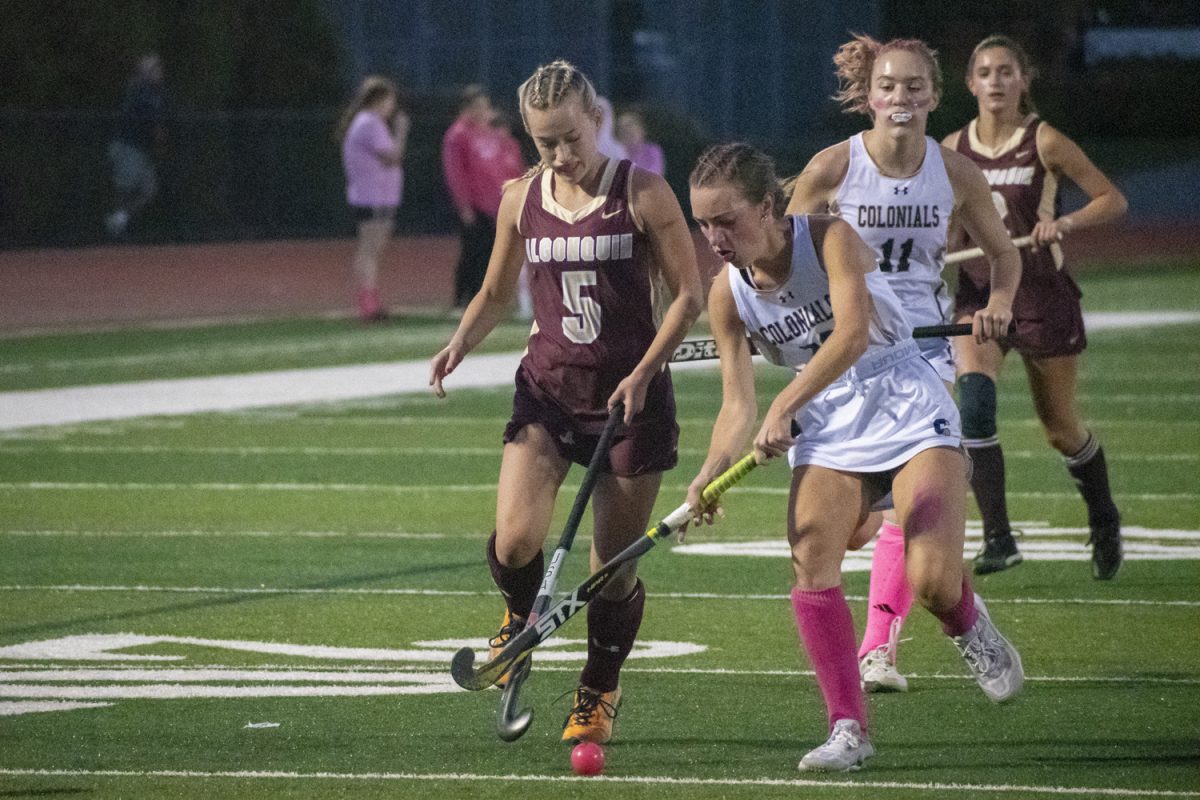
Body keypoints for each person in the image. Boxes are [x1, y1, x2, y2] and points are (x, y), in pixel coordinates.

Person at [687, 142, 1023, 773]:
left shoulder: (830, 239)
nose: (714, 237)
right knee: (812, 555)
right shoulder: (727, 294)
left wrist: (787, 400)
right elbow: (737, 405)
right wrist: (711, 471)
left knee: (930, 580)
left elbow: (852, 334)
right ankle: (848, 727)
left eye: (725, 220)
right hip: (829, 425)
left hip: (903, 396)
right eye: (703, 223)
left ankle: (966, 621)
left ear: (768, 207)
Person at [429, 59, 703, 745]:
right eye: (545, 142)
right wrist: (460, 342)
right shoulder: (522, 198)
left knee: (610, 574)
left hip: (630, 401)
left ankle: (598, 688)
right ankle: (518, 620)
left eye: (571, 138)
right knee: (517, 540)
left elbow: (690, 297)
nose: (560, 154)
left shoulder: (642, 192)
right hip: (549, 392)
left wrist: (646, 371)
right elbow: (496, 291)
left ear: (596, 122)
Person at [785, 35, 1022, 695]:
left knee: (907, 517)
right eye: (888, 86)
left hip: (923, 358)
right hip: (851, 358)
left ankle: (880, 648)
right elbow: (782, 264)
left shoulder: (954, 173)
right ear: (869, 97)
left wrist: (999, 303)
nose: (901, 99)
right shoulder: (831, 170)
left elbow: (1005, 256)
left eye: (914, 87)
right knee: (849, 531)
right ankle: (872, 658)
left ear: (934, 97)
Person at [944, 34, 1128, 579]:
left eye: (1006, 71)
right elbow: (949, 223)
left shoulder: (1044, 140)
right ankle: (998, 537)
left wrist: (1064, 223)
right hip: (979, 295)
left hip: (1041, 296)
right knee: (973, 409)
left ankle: (1104, 516)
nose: (996, 81)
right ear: (971, 83)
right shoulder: (952, 147)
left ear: (1024, 81)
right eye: (985, 72)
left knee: (1060, 428)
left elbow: (1112, 198)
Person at [337, 75, 410, 323]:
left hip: (378, 195)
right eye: (390, 101)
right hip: (372, 196)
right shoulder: (370, 123)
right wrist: (401, 131)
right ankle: (368, 303)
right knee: (369, 250)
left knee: (373, 250)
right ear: (380, 100)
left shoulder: (368, 122)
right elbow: (392, 156)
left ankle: (370, 300)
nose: (392, 107)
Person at [442, 85, 521, 310]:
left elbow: (496, 168)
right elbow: (455, 173)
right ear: (466, 109)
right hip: (472, 204)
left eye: (485, 107)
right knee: (471, 252)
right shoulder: (457, 135)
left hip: (491, 205)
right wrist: (464, 205)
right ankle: (461, 300)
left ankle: (481, 298)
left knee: (488, 252)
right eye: (478, 107)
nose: (483, 111)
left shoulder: (485, 132)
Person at [105, 53, 168, 238]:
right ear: (144, 72)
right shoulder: (141, 91)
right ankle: (112, 231)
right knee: (123, 188)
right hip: (128, 147)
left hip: (141, 150)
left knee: (149, 190)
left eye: (158, 68)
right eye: (153, 69)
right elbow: (155, 125)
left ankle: (119, 221)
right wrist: (160, 144)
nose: (159, 72)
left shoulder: (154, 93)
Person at [616, 110, 666, 177]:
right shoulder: (615, 152)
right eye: (622, 129)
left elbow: (654, 175)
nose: (627, 130)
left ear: (641, 129)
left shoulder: (652, 150)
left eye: (630, 125)